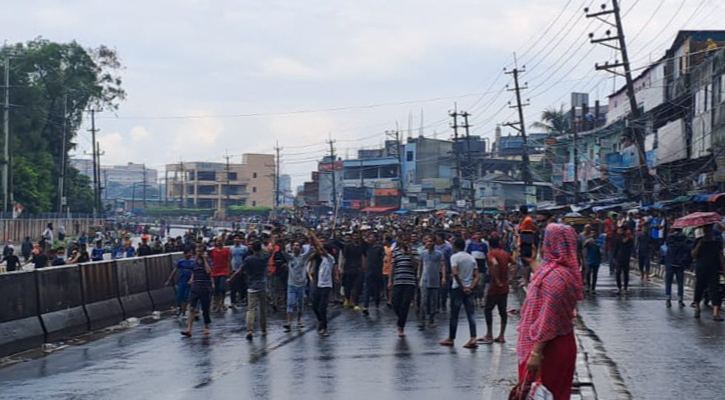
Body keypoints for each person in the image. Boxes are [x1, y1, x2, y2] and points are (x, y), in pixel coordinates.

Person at [517, 224, 582, 400]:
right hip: (559, 343)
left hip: (548, 349)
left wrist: (536, 353)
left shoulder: (556, 278)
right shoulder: (562, 273)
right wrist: (532, 262)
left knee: (544, 394)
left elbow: (548, 320)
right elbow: (545, 284)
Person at [440, 238, 479, 349]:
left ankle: (451, 338)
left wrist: (461, 286)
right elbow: (477, 275)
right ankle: (473, 337)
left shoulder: (454, 257)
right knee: (470, 313)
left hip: (457, 288)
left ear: (455, 246)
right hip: (469, 289)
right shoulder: (471, 258)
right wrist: (470, 287)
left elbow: (455, 273)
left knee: (454, 314)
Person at [233, 240, 268, 340]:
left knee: (250, 309)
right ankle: (264, 329)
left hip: (252, 286)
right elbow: (269, 250)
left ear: (252, 248)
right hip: (262, 285)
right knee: (263, 309)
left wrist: (231, 278)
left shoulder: (248, 259)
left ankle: (249, 330)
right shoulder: (264, 257)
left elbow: (240, 270)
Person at [480, 236, 511, 344]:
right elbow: (514, 263)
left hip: (495, 286)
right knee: (503, 311)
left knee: (488, 309)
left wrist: (497, 279)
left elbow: (495, 263)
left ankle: (490, 333)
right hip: (505, 285)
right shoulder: (505, 253)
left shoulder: (491, 254)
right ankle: (501, 335)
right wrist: (510, 278)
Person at [692, 224, 725, 321]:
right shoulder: (698, 241)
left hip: (713, 269)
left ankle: (716, 313)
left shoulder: (716, 242)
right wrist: (700, 244)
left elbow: (720, 256)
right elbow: (693, 254)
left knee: (715, 290)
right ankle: (697, 307)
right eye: (706, 229)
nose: (708, 231)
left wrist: (723, 269)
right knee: (699, 288)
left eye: (710, 229)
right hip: (701, 268)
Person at [389, 233, 418, 338]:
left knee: (405, 304)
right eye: (404, 240)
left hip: (409, 282)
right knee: (395, 303)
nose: (406, 242)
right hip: (398, 281)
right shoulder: (395, 252)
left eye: (407, 241)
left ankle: (401, 327)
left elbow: (416, 265)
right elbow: (393, 267)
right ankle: (400, 318)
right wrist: (390, 281)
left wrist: (410, 254)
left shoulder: (414, 251)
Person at [308, 231, 336, 337]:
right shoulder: (320, 258)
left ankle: (324, 328)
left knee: (322, 307)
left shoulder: (330, 258)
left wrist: (313, 236)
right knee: (315, 305)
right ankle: (321, 321)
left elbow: (320, 248)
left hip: (326, 285)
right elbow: (317, 247)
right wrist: (312, 238)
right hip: (318, 284)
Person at [181, 245, 213, 337]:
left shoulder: (208, 261)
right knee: (191, 308)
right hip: (195, 287)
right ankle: (189, 329)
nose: (199, 253)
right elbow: (193, 272)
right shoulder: (193, 262)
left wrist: (205, 260)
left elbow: (208, 271)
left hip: (205, 287)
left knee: (205, 309)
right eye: (197, 251)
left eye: (200, 251)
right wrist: (191, 279)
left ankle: (206, 327)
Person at [283, 240, 310, 331]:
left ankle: (299, 320)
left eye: (297, 245)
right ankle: (289, 322)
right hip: (291, 284)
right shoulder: (290, 258)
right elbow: (283, 251)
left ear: (301, 248)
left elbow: (311, 250)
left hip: (301, 284)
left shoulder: (303, 257)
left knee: (300, 304)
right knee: (290, 303)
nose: (295, 247)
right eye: (294, 245)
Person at [418, 236, 444, 330]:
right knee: (423, 301)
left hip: (435, 280)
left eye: (431, 241)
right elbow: (420, 265)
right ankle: (422, 321)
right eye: (428, 241)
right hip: (424, 280)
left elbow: (443, 265)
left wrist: (443, 277)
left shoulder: (439, 254)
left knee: (434, 302)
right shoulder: (423, 253)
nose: (429, 243)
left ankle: (432, 320)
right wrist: (419, 277)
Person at [664, 228, 690, 308]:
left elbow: (666, 249)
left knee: (668, 281)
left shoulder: (669, 238)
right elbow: (687, 251)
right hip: (680, 263)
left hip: (670, 262)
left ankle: (668, 299)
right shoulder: (684, 239)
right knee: (680, 283)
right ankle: (680, 300)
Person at [166, 248, 195, 318]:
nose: (190, 254)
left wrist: (192, 279)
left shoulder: (193, 262)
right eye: (189, 253)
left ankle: (184, 312)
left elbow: (194, 272)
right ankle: (180, 309)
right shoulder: (181, 262)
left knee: (185, 297)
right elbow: (174, 271)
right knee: (179, 297)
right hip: (182, 281)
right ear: (185, 254)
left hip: (189, 283)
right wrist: (169, 280)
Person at [341, 232, 366, 310]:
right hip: (348, 268)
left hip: (358, 268)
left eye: (357, 236)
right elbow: (344, 258)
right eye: (355, 236)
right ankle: (347, 298)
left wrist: (363, 267)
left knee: (356, 286)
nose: (356, 238)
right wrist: (342, 268)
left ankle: (354, 302)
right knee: (347, 286)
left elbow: (363, 256)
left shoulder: (361, 246)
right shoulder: (348, 246)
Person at [362, 232, 385, 315]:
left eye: (371, 237)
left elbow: (383, 258)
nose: (370, 239)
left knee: (376, 289)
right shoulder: (367, 247)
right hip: (369, 270)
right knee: (367, 288)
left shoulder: (379, 247)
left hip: (377, 270)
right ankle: (365, 306)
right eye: (369, 237)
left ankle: (377, 304)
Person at [209, 238, 231, 313]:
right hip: (215, 271)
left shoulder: (226, 251)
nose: (219, 242)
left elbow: (228, 261)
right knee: (216, 289)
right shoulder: (212, 251)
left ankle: (222, 302)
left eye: (220, 241)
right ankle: (216, 303)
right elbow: (211, 260)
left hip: (223, 271)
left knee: (222, 287)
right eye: (218, 241)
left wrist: (229, 271)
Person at [434, 232, 453, 312]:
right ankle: (437, 305)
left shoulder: (448, 247)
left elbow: (450, 259)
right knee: (436, 289)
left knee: (444, 289)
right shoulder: (434, 246)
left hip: (446, 270)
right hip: (435, 270)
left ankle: (443, 303)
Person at [613, 227, 634, 294]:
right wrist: (614, 257)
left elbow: (632, 248)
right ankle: (619, 287)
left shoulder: (630, 240)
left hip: (626, 258)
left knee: (626, 273)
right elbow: (616, 248)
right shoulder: (618, 239)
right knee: (618, 273)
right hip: (619, 258)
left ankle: (625, 287)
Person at [229, 236, 248, 306]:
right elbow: (229, 258)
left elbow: (246, 258)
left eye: (238, 238)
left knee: (243, 285)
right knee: (233, 286)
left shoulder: (244, 248)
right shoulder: (231, 248)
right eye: (235, 238)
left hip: (242, 269)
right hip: (234, 269)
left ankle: (243, 299)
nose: (236, 240)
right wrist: (230, 268)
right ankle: (233, 301)